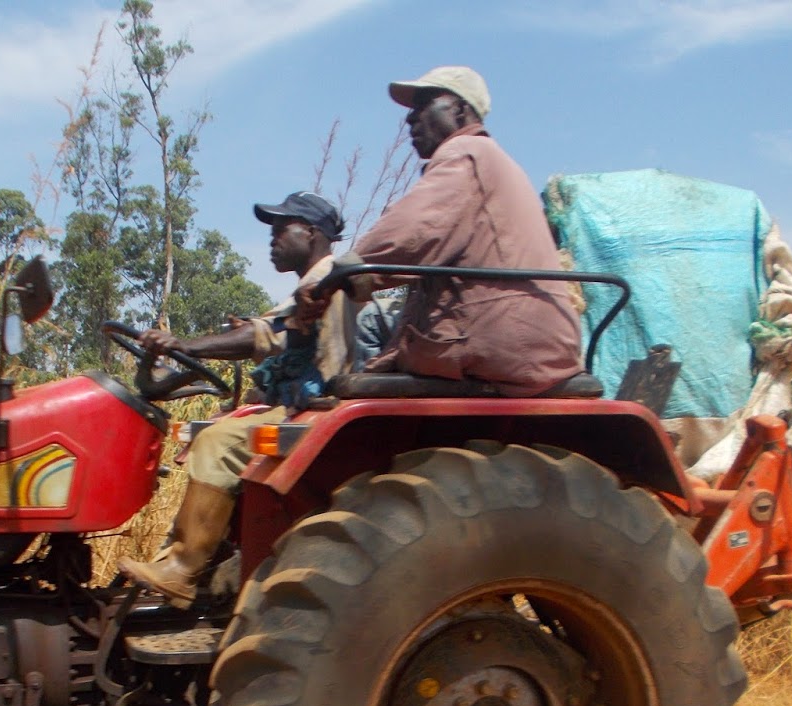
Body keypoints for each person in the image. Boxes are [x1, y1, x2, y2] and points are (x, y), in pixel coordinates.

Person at [118, 190, 356, 608]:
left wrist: (188, 345)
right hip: (296, 402)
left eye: (283, 228)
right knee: (210, 428)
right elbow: (263, 331)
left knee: (219, 442)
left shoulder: (327, 280)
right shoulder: (307, 286)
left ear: (313, 233)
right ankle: (205, 560)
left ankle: (184, 568)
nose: (273, 238)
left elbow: (263, 335)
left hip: (318, 406)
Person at [300, 66, 583, 396]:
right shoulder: (494, 160)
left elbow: (413, 229)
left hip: (501, 339)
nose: (410, 120)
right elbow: (424, 246)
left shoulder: (465, 152)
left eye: (423, 106)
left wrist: (335, 278)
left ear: (461, 110)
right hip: (530, 339)